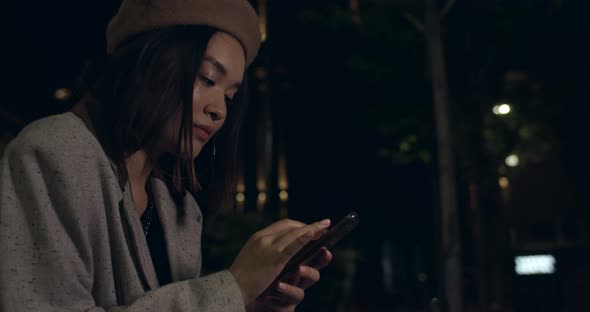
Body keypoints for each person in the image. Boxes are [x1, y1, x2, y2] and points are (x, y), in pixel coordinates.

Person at [0, 0, 333, 311]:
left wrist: (247, 305)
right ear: (150, 61)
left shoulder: (181, 208)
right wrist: (231, 288)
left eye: (230, 97)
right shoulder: (52, 153)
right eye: (207, 79)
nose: (218, 110)